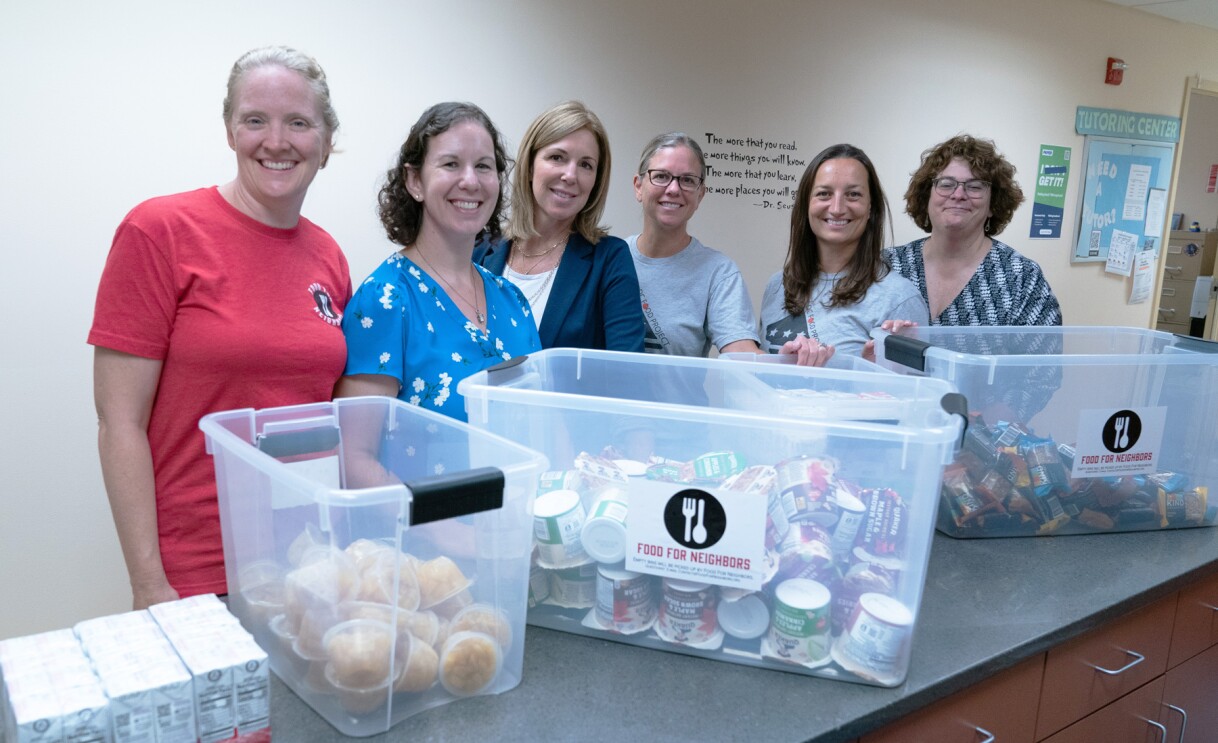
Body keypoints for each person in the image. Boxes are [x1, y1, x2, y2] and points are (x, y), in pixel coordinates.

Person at [89, 46, 352, 609]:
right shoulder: (159, 231)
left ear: (326, 142)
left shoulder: (328, 256)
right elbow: (119, 423)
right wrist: (149, 584)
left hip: (309, 563)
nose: (276, 141)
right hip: (198, 574)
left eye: (299, 123)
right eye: (255, 120)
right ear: (230, 132)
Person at [335, 102, 540, 424]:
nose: (470, 181)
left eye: (484, 166)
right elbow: (355, 458)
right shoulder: (386, 299)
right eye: (451, 164)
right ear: (415, 181)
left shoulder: (512, 300)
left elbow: (542, 426)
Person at [475, 101, 645, 352]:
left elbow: (626, 370)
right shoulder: (478, 249)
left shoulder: (610, 259)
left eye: (586, 164)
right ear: (530, 166)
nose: (570, 175)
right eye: (557, 157)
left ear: (596, 180)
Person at [760, 144, 929, 359]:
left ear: (871, 209)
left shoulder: (899, 299)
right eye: (824, 194)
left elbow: (913, 389)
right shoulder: (777, 285)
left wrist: (874, 371)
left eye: (853, 194)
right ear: (805, 204)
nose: (837, 208)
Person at [885, 134, 1062, 326]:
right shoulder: (886, 266)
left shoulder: (1022, 278)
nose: (958, 194)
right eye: (946, 184)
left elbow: (1044, 355)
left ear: (993, 204)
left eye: (975, 186)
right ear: (926, 197)